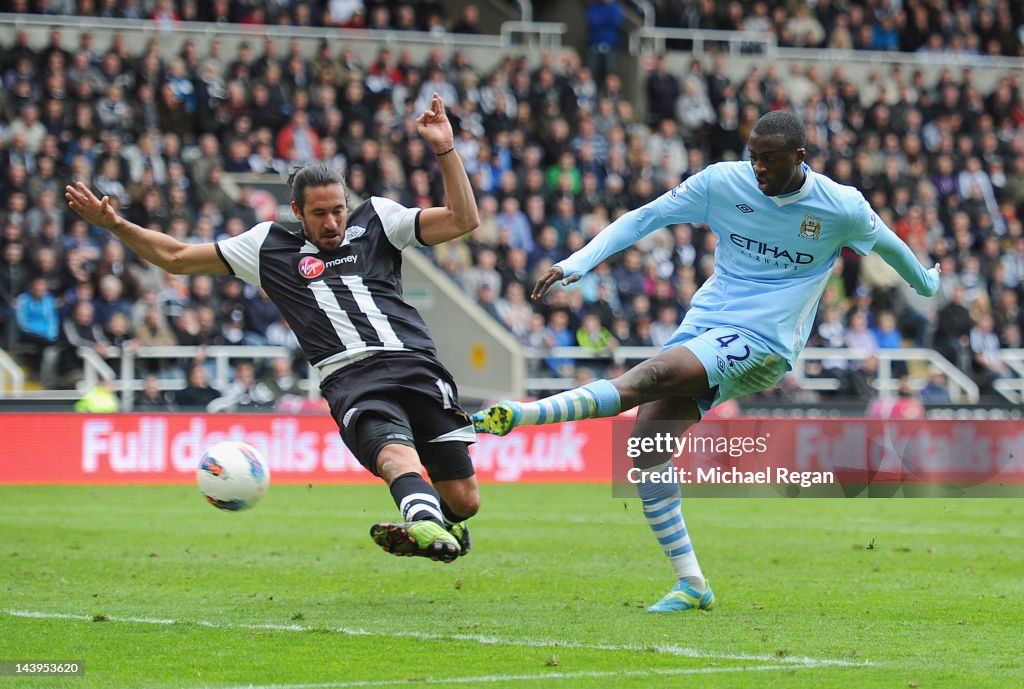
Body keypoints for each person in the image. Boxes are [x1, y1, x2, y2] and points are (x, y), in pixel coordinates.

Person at [473, 110, 941, 610]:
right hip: (708, 321)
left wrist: (925, 283)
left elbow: (893, 250)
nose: (758, 169)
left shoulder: (839, 206)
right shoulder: (722, 182)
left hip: (765, 339)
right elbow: (645, 217)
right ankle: (692, 583)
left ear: (799, 158)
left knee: (652, 375)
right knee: (647, 446)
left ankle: (521, 414)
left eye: (770, 160)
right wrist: (577, 262)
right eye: (753, 157)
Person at [66, 94, 481, 564]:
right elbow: (177, 258)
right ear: (297, 211)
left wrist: (446, 150)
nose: (332, 222)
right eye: (319, 213)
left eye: (339, 210)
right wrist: (116, 224)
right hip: (353, 377)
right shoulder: (268, 245)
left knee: (465, 500)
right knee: (395, 458)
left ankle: (436, 521)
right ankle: (423, 523)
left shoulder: (380, 219)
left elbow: (464, 220)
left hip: (416, 363)